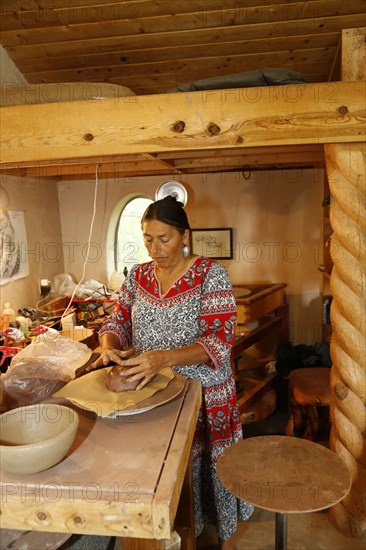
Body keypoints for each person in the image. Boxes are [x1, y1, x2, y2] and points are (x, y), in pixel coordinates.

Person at [90, 195, 254, 549]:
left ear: (184, 235)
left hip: (205, 392)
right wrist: (108, 345)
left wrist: (163, 358)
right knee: (162, 467)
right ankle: (170, 531)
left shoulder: (211, 275)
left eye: (164, 239)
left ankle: (209, 529)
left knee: (202, 464)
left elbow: (218, 341)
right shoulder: (137, 275)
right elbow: (118, 319)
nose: (155, 248)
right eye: (148, 238)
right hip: (155, 388)